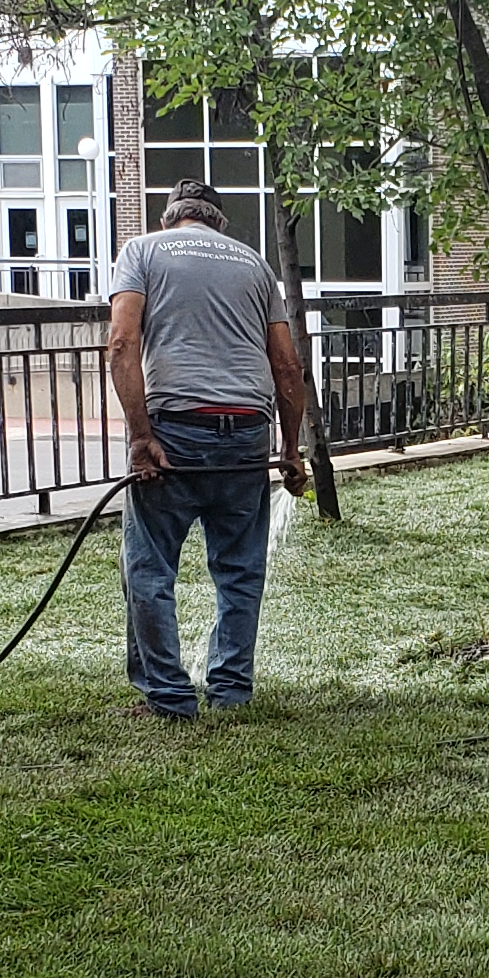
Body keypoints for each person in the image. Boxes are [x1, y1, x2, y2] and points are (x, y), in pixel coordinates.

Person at [105, 179, 314, 719]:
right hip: (246, 432)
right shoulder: (254, 264)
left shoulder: (142, 251)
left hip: (175, 431)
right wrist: (291, 449)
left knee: (149, 568)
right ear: (219, 222)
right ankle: (230, 691)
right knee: (240, 570)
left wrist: (141, 438)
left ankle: (169, 697)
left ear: (170, 218)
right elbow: (287, 365)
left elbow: (122, 343)